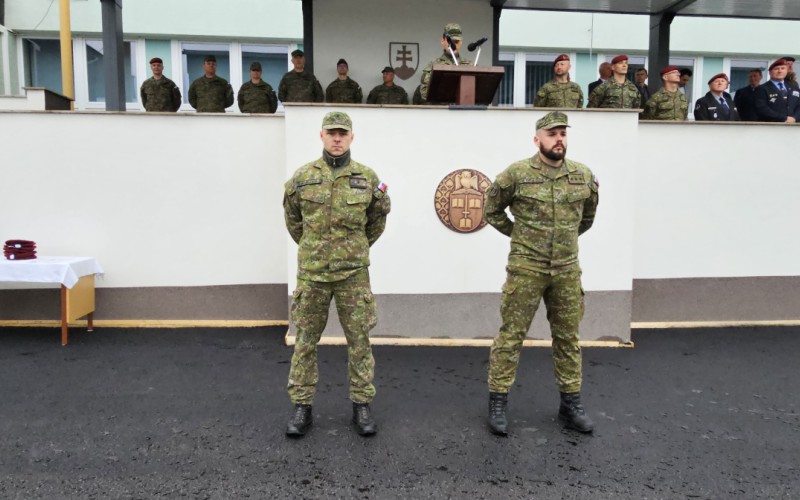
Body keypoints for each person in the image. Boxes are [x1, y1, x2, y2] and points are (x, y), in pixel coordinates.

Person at [484, 111, 599, 436]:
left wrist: (563, 241)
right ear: (538, 140)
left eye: (563, 133)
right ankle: (498, 401)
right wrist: (521, 235)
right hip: (526, 268)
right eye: (552, 133)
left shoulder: (582, 175)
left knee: (568, 338)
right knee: (511, 336)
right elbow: (491, 209)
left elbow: (587, 218)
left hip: (566, 270)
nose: (558, 138)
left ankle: (570, 403)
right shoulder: (516, 174)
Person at [283, 111, 391, 438]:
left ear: (352, 137)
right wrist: (316, 248)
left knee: (359, 341)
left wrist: (354, 249)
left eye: (343, 133)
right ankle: (302, 407)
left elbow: (377, 220)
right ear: (321, 135)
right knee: (304, 341)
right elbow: (293, 221)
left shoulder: (368, 178)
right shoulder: (302, 178)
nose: (337, 138)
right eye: (332, 132)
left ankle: (361, 405)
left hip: (353, 275)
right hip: (313, 274)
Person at [419, 23, 472, 102]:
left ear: (461, 42)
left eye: (456, 42)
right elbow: (424, 94)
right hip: (442, 111)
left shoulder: (470, 66)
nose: (453, 45)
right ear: (442, 41)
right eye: (450, 42)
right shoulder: (434, 66)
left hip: (465, 111)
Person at [754, 59, 800, 123]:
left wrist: (795, 118)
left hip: (793, 127)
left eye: (783, 68)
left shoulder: (794, 88)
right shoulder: (762, 89)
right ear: (770, 72)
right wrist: (784, 118)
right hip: (771, 126)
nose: (780, 71)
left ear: (786, 71)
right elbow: (762, 109)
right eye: (776, 69)